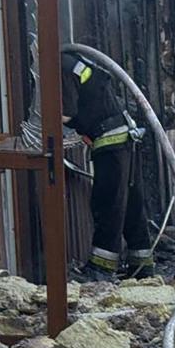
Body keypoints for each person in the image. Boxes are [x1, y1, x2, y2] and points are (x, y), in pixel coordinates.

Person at [61, 50, 153, 281]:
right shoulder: (76, 59)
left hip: (110, 140)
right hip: (125, 136)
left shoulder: (59, 65)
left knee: (107, 203)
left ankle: (101, 269)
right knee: (132, 204)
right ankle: (142, 266)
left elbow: (65, 113)